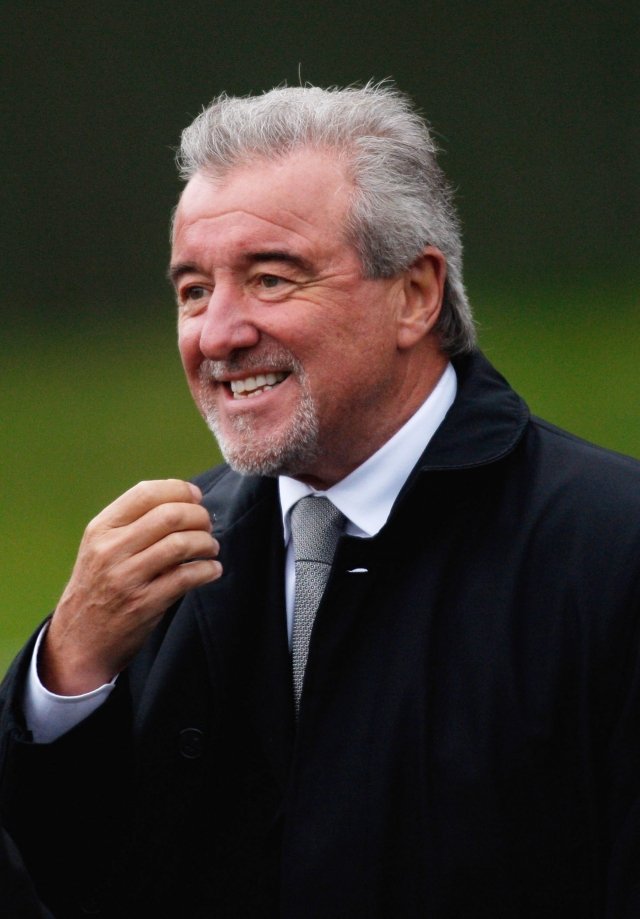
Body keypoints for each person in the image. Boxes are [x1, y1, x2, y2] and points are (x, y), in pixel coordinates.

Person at [1, 84, 640, 919]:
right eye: (193, 290)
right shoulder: (158, 567)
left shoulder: (611, 546)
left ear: (415, 294)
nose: (218, 333)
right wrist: (66, 678)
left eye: (270, 279)